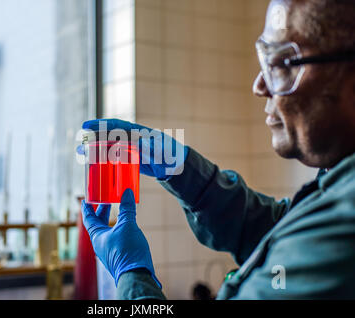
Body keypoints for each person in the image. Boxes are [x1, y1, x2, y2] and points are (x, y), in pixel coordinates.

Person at [80, 0, 355, 299]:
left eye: (280, 64)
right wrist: (185, 172)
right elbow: (277, 227)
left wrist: (131, 275)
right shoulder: (337, 190)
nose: (260, 85)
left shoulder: (342, 229)